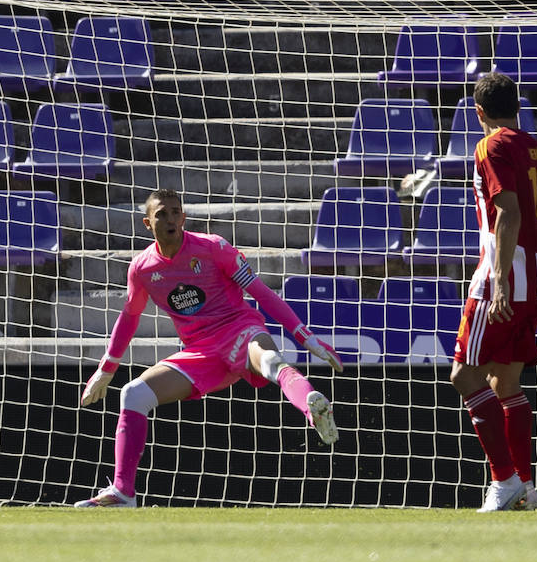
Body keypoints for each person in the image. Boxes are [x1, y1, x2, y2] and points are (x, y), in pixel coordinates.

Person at [75, 188, 344, 508]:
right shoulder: (142, 268)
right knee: (132, 394)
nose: (171, 219)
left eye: (176, 212)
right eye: (162, 214)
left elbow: (261, 292)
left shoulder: (213, 248)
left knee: (271, 359)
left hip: (240, 332)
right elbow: (130, 317)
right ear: (148, 223)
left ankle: (314, 410)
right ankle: (123, 493)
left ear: (184, 217)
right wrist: (106, 370)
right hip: (201, 352)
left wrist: (304, 336)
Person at [450, 72, 537, 512]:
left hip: (505, 279)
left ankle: (504, 480)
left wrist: (500, 278)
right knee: (506, 382)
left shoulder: (490, 146)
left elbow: (508, 214)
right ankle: (526, 490)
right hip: (536, 279)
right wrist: (525, 257)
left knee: (464, 375)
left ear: (479, 112)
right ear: (518, 107)